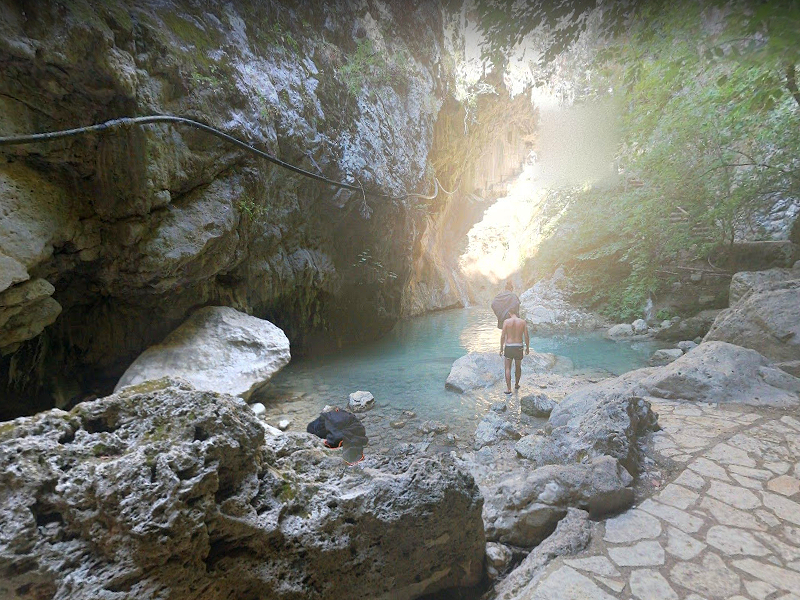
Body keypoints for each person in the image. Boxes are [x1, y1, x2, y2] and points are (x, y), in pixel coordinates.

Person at [499, 309, 529, 394]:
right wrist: (527, 347)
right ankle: (516, 384)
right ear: (516, 313)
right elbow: (526, 336)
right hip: (519, 346)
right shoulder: (522, 322)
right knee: (518, 367)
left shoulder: (506, 322)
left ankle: (508, 389)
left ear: (509, 313)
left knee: (507, 368)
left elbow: (502, 336)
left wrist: (501, 348)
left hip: (509, 346)